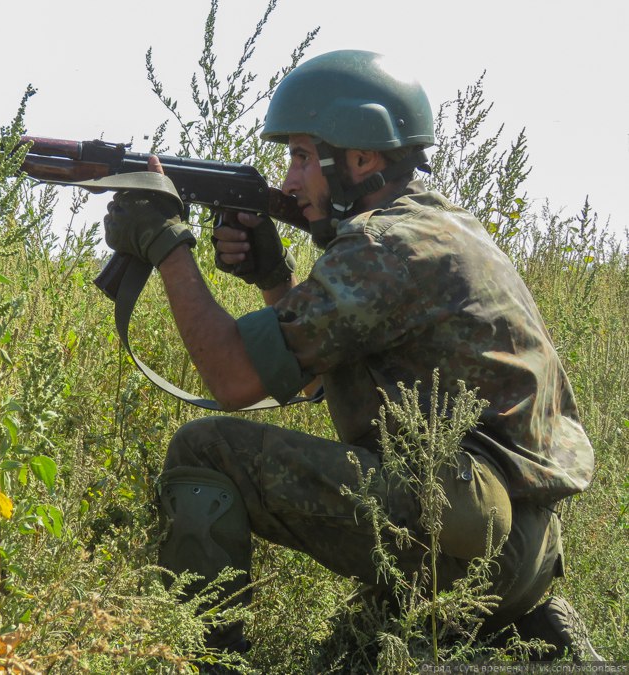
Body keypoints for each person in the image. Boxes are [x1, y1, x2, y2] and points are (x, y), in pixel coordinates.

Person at [101, 49, 600, 662]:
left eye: (304, 157)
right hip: (523, 551)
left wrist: (166, 244)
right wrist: (274, 276)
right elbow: (321, 380)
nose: (287, 180)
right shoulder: (441, 228)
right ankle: (524, 635)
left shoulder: (383, 247)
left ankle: (207, 660)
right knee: (344, 656)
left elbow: (233, 379)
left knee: (204, 450)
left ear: (362, 159)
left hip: (464, 535)